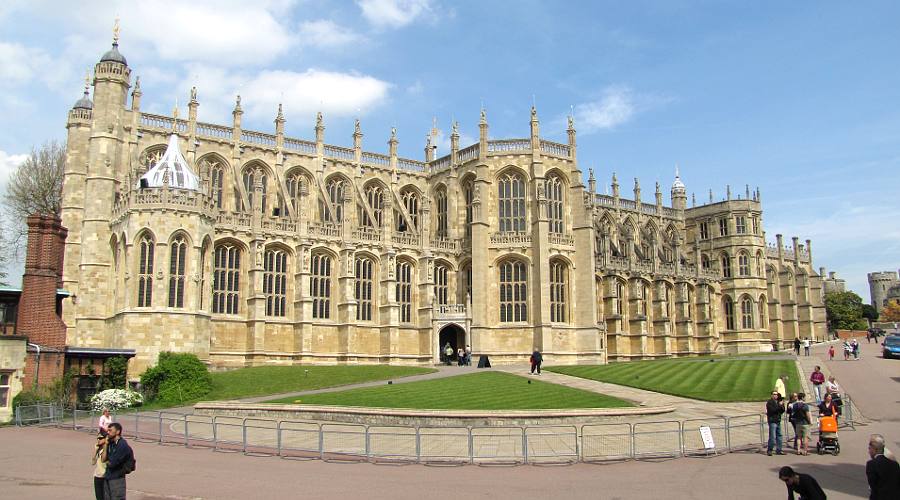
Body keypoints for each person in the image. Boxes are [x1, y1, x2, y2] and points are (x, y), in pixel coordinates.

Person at [104, 422, 134, 500]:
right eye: (108, 430)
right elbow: (103, 459)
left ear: (118, 432)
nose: (108, 432)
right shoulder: (111, 443)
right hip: (108, 476)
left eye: (110, 430)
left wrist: (108, 461)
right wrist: (105, 445)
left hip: (117, 479)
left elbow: (112, 463)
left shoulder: (122, 445)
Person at [867, 434, 900, 500]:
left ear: (874, 449)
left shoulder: (871, 464)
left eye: (869, 448)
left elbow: (873, 486)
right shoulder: (895, 464)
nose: (868, 451)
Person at [766, 390, 786, 456]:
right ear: (771, 395)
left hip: (778, 420)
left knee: (779, 436)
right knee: (772, 436)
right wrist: (779, 406)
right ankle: (770, 450)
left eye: (776, 394)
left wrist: (782, 405)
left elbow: (782, 410)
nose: (775, 395)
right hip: (772, 421)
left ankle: (779, 450)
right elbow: (772, 410)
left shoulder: (778, 402)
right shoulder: (769, 402)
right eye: (774, 394)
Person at [92, 434, 108, 500]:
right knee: (99, 497)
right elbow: (93, 462)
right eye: (98, 438)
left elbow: (105, 461)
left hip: (104, 476)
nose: (98, 440)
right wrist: (95, 451)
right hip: (97, 476)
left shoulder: (107, 450)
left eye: (100, 438)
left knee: (106, 497)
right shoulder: (99, 448)